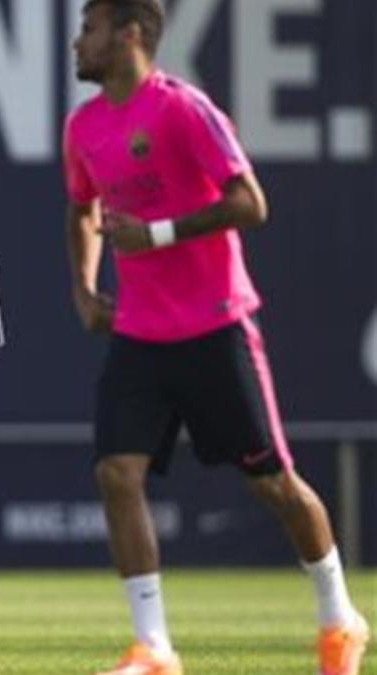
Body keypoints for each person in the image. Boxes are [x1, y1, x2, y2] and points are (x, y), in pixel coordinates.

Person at [63, 2, 370, 674]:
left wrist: (162, 232)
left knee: (274, 484)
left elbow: (250, 202)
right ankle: (155, 646)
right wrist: (86, 288)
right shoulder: (83, 124)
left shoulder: (183, 109)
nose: (78, 41)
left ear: (130, 35)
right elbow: (83, 206)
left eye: (90, 29)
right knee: (117, 472)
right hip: (139, 333)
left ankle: (340, 617)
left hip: (215, 323)